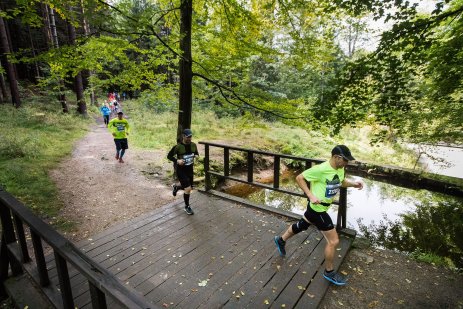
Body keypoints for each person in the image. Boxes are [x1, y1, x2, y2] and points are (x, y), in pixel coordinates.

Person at [274, 145, 363, 286]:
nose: (347, 163)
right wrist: (310, 195)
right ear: (336, 157)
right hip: (318, 209)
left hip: (319, 208)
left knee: (302, 225)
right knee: (333, 241)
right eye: (345, 160)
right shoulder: (321, 169)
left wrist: (354, 184)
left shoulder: (340, 169)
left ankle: (281, 240)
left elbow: (341, 181)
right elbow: (299, 178)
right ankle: (329, 272)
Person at [167, 129, 199, 215]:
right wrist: (177, 161)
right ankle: (187, 206)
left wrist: (196, 156)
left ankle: (176, 187)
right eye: (188, 137)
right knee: (188, 189)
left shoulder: (193, 145)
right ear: (183, 136)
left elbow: (196, 153)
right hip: (181, 170)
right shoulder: (178, 147)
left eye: (190, 136)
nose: (189, 138)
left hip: (190, 169)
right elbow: (169, 156)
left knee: (189, 188)